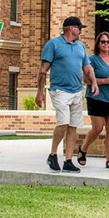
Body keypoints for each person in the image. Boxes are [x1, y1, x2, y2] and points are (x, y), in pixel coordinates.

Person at [37, 16, 99, 173]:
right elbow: (43, 70)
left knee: (73, 126)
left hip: (77, 91)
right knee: (63, 122)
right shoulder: (53, 44)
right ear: (71, 28)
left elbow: (87, 67)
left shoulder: (80, 46)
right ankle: (52, 155)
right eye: (79, 28)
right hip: (59, 90)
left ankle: (68, 160)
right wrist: (40, 93)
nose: (80, 31)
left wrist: (94, 83)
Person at [79, 32, 109, 169]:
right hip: (96, 97)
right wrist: (105, 81)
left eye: (108, 42)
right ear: (98, 44)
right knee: (97, 128)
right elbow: (86, 80)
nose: (106, 44)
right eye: (103, 42)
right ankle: (83, 149)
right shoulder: (92, 60)